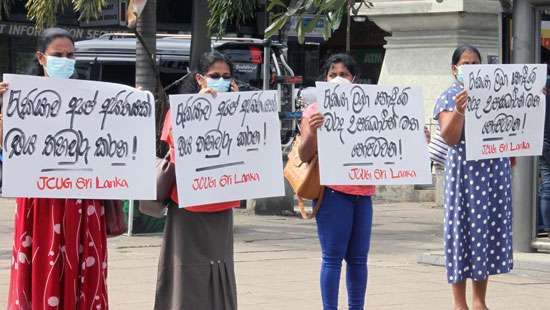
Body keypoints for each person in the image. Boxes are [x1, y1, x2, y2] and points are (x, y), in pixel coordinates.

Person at [1, 28, 109, 309]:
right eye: (58, 55)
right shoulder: (20, 99)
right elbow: (9, 148)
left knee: (82, 269)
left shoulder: (92, 98)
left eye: (70, 55)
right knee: (41, 265)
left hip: (83, 201)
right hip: (40, 200)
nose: (66, 60)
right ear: (41, 58)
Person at [154, 51, 239, 310]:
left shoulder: (239, 111)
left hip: (221, 204)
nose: (221, 81)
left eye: (226, 77)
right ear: (200, 79)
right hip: (187, 205)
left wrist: (238, 107)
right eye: (215, 76)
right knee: (185, 270)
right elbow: (174, 144)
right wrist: (196, 110)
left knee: (220, 265)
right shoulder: (181, 109)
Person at [435, 45, 513, 310]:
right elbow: (450, 136)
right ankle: (460, 303)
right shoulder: (449, 97)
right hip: (465, 177)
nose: (471, 68)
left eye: (475, 63)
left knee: (485, 234)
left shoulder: (495, 93)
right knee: (462, 234)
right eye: (465, 64)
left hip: (492, 173)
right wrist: (459, 111)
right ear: (454, 69)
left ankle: (480, 301)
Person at [299, 53, 375, 310]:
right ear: (324, 79)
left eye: (344, 74)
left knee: (359, 259)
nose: (339, 79)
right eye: (333, 74)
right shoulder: (313, 111)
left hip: (362, 194)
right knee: (332, 258)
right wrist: (314, 130)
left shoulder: (370, 109)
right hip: (332, 193)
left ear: (355, 79)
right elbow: (303, 154)